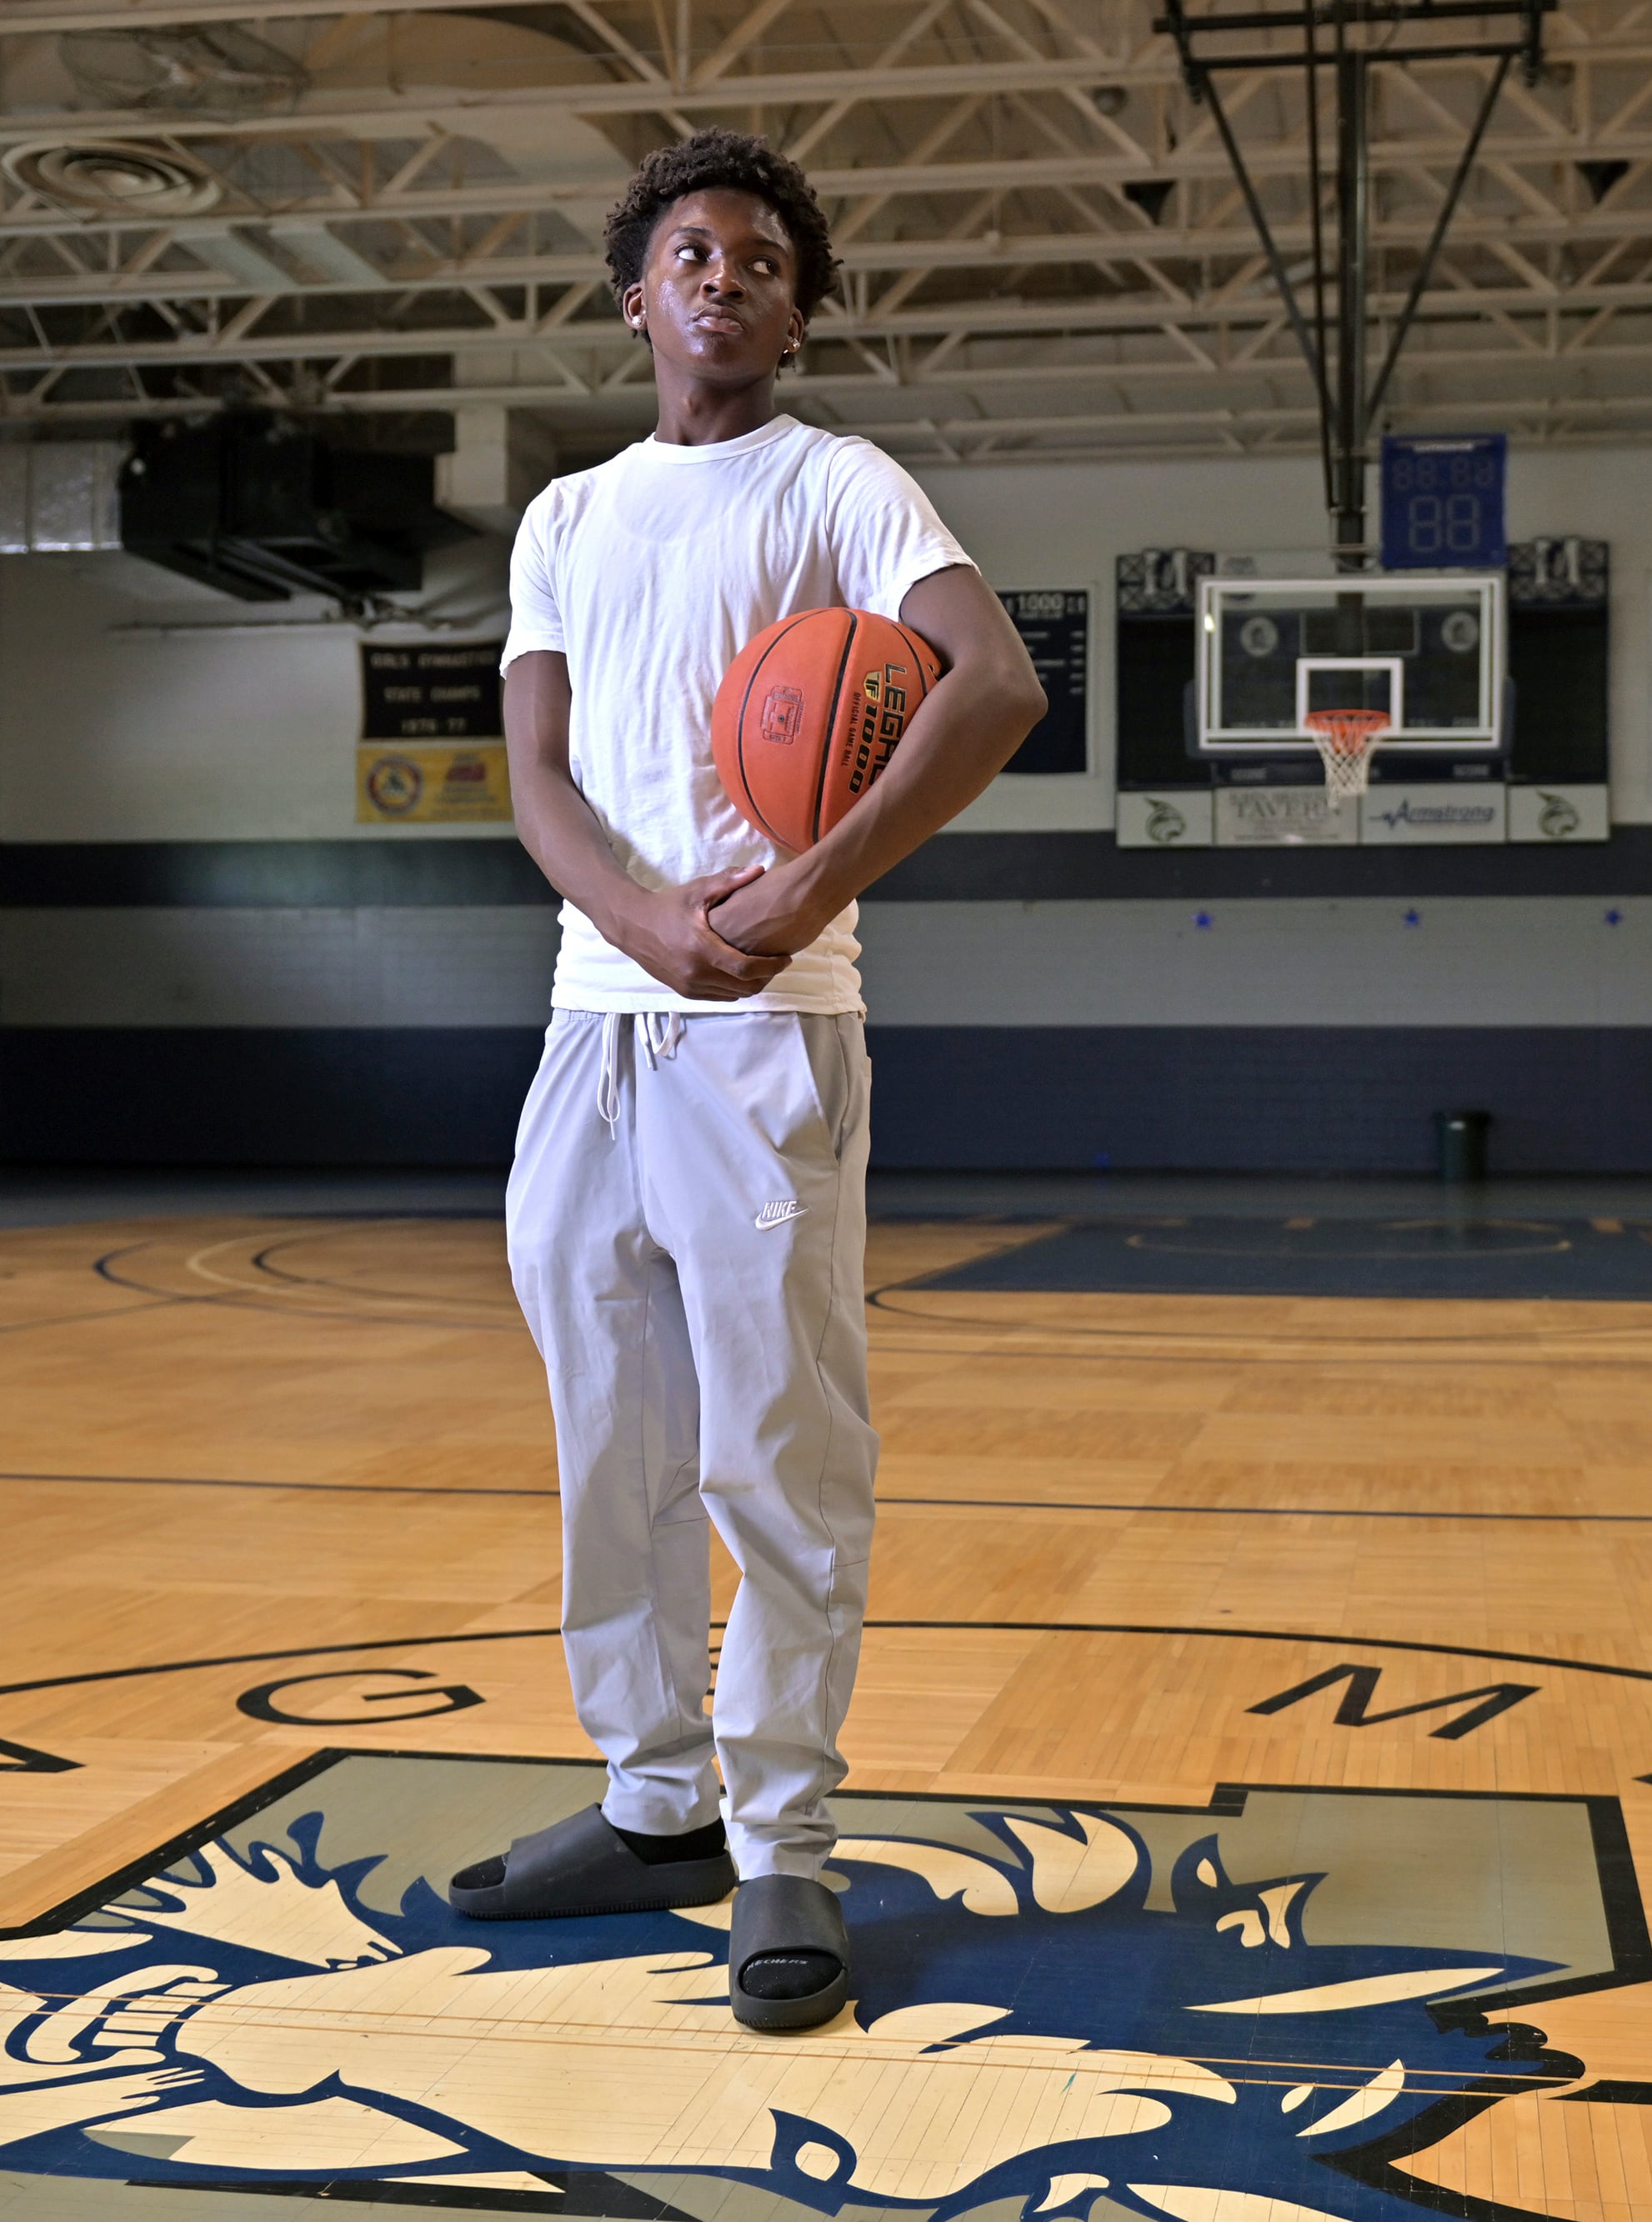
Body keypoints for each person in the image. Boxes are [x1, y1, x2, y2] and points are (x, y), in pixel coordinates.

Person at [456, 128, 1047, 2034]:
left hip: (771, 1028)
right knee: (607, 1436)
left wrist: (797, 886)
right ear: (636, 294)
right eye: (693, 253)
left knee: (771, 1448)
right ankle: (651, 1807)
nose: (728, 277)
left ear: (799, 309)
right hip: (590, 1017)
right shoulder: (559, 517)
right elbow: (536, 779)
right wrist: (637, 916)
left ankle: (781, 1837)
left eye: (767, 261)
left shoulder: (841, 484)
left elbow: (997, 685)